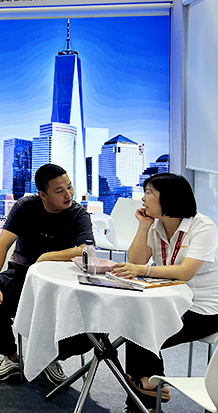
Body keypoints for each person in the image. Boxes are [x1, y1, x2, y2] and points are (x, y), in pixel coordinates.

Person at [111, 173, 218, 413]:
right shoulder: (156, 225)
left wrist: (144, 270)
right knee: (136, 321)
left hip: (203, 309)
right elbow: (136, 260)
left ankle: (144, 397)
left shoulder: (203, 227)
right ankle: (149, 388)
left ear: (169, 198)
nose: (143, 198)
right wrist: (144, 226)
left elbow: (186, 272)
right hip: (169, 302)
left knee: (141, 328)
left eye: (149, 193)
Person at [0, 163, 94, 385]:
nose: (68, 194)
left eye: (69, 187)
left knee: (90, 331)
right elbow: (2, 245)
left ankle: (49, 357)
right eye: (59, 191)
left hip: (60, 282)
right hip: (22, 275)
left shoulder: (77, 213)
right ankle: (12, 357)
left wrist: (46, 257)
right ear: (43, 194)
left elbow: (85, 249)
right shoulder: (25, 207)